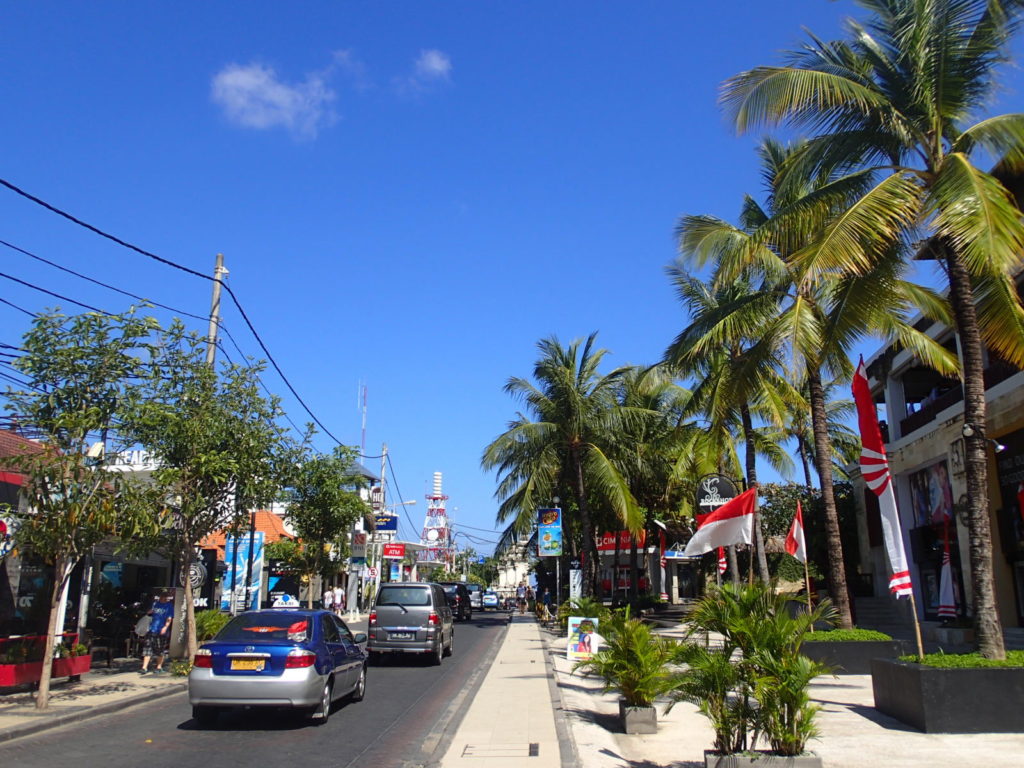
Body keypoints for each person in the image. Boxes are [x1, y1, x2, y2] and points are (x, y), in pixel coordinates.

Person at [140, 593, 174, 675]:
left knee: (160, 649)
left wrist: (165, 627)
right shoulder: (155, 604)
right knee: (148, 648)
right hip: (152, 629)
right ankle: (144, 667)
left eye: (164, 597)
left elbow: (169, 618)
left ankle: (159, 667)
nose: (162, 598)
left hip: (161, 630)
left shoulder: (169, 606)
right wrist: (149, 612)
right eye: (161, 597)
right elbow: (149, 613)